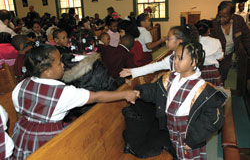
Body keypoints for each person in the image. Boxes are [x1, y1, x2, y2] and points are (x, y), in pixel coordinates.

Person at [11, 44, 139, 159]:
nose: (63, 65)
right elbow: (96, 96)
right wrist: (125, 94)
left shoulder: (21, 85)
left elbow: (19, 113)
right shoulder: (63, 93)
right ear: (47, 72)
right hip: (48, 140)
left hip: (22, 135)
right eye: (59, 63)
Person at [134, 42, 227, 159]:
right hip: (172, 128)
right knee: (178, 155)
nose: (175, 62)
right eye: (174, 57)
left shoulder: (202, 88)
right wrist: (140, 92)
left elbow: (212, 117)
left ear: (193, 62)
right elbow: (155, 90)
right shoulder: (170, 78)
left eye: (180, 58)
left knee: (190, 157)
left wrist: (194, 139)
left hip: (189, 132)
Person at [120, 25, 199, 78]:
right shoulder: (172, 57)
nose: (166, 41)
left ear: (180, 41)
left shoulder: (189, 57)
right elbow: (155, 66)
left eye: (169, 39)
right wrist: (132, 71)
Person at [210, 1, 250, 84]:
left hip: (230, 54)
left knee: (225, 75)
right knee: (217, 78)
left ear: (232, 15)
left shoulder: (239, 20)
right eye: (219, 16)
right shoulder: (213, 25)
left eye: (224, 16)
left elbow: (247, 38)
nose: (221, 19)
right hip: (216, 58)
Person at [195, 19, 224, 86]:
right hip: (212, 71)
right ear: (208, 30)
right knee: (214, 91)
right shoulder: (216, 41)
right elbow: (220, 58)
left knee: (199, 91)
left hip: (198, 71)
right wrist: (222, 53)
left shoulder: (193, 42)